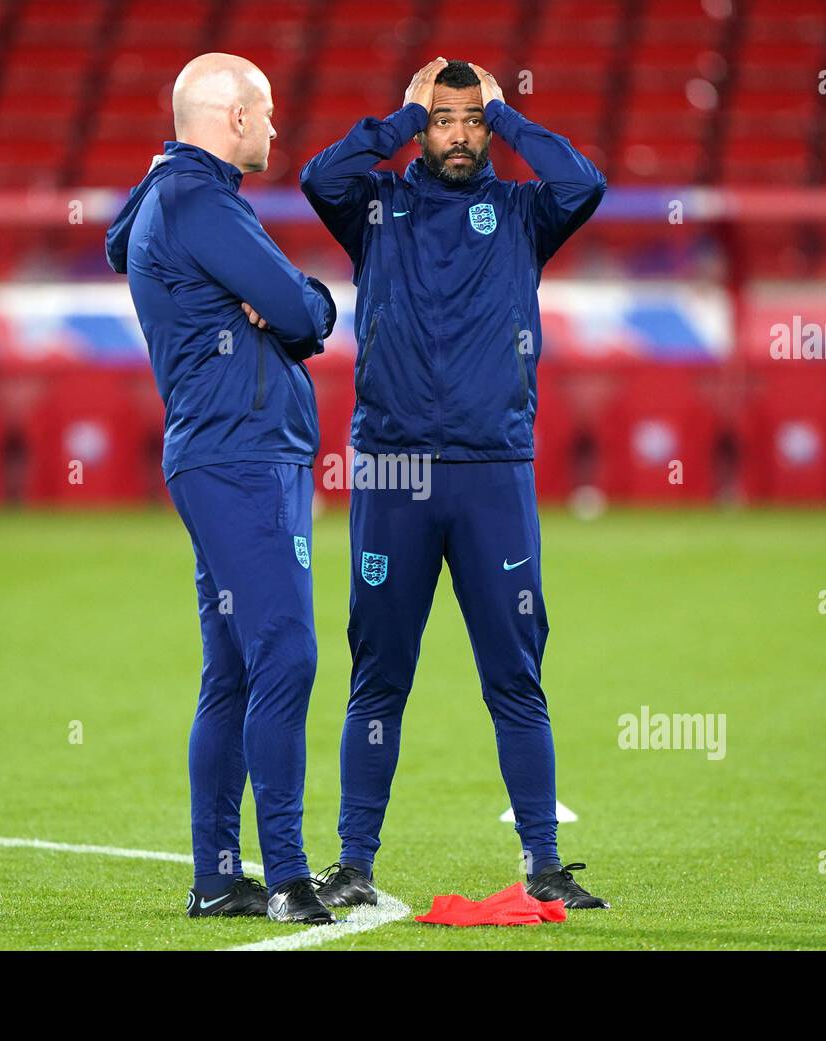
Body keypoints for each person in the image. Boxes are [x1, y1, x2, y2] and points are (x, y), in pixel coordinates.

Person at [300, 58, 612, 909]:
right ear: (421, 125)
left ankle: (544, 862)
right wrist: (396, 118)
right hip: (393, 471)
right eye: (445, 119)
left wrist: (512, 119)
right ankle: (355, 862)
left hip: (493, 472)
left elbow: (585, 182)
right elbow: (315, 175)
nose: (461, 134)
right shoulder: (373, 209)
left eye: (473, 119)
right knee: (379, 676)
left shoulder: (520, 212)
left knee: (515, 676)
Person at [106, 52, 338, 925]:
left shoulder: (168, 194)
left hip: (227, 452)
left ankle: (216, 874)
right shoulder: (200, 202)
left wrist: (277, 302)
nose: (276, 127)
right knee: (286, 652)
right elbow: (307, 310)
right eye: (268, 112)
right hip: (239, 456)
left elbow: (278, 305)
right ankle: (286, 874)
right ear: (233, 116)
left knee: (236, 668)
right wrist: (293, 299)